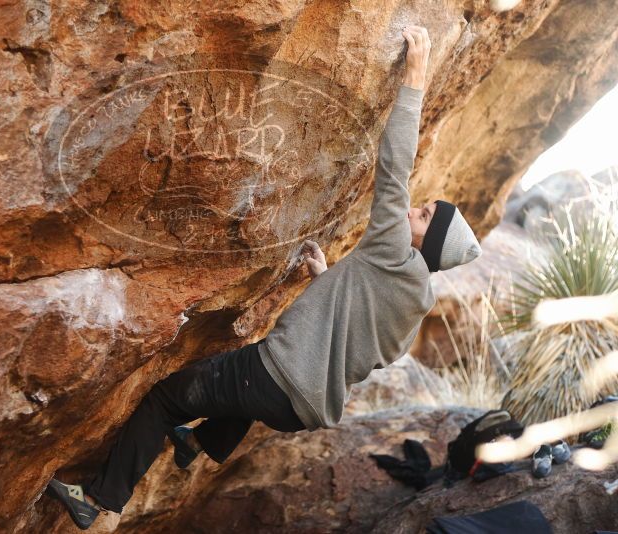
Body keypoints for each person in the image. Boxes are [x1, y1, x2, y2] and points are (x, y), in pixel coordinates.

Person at [44, 25, 482, 531]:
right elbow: (355, 342)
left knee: (167, 397)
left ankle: (100, 501)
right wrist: (325, 279)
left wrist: (415, 82)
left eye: (424, 216)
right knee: (242, 386)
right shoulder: (414, 298)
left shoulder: (392, 248)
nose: (412, 213)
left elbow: (394, 169)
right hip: (300, 410)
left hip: (272, 380)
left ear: (427, 243)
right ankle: (206, 440)